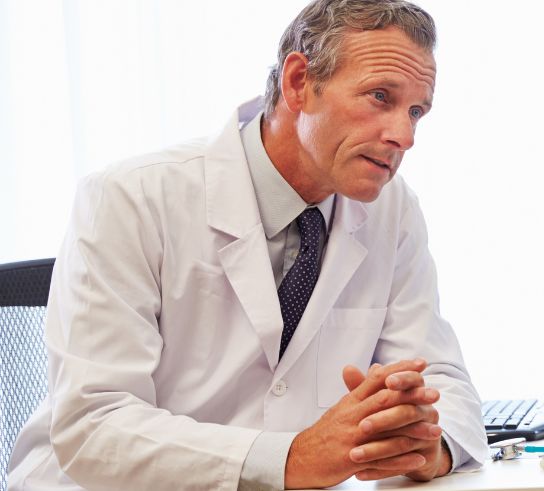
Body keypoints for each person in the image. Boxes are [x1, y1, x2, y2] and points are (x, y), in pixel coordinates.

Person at [6, 1, 489, 489]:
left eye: (416, 112)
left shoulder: (393, 211)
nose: (404, 136)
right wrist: (291, 457)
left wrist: (430, 443)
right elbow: (93, 426)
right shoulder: (130, 198)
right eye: (380, 96)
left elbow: (443, 381)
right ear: (299, 82)